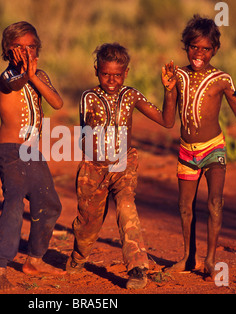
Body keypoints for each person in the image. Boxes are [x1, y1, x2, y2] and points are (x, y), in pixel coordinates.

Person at [66, 43, 177, 289]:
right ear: (97, 70)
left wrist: (169, 91)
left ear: (126, 72)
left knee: (127, 207)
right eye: (106, 74)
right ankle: (79, 256)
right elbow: (84, 137)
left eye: (117, 75)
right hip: (93, 169)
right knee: (88, 224)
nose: (112, 80)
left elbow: (167, 121)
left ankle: (138, 268)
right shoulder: (89, 97)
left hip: (124, 163)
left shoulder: (132, 96)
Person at [164, 15, 236, 280]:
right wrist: (168, 90)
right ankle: (187, 257)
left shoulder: (223, 79)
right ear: (185, 46)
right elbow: (169, 120)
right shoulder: (178, 76)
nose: (199, 53)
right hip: (186, 151)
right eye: (194, 47)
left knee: (215, 202)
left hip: (213, 149)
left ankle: (211, 259)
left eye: (205, 49)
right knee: (185, 206)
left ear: (214, 50)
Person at [0, 21, 64, 292]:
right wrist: (27, 74)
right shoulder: (8, 76)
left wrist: (34, 75)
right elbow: (16, 82)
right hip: (11, 152)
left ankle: (34, 259)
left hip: (32, 153)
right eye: (19, 48)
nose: (25, 52)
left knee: (50, 204)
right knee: (14, 202)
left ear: (38, 49)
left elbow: (57, 103)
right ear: (8, 51)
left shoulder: (39, 76)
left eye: (31, 47)